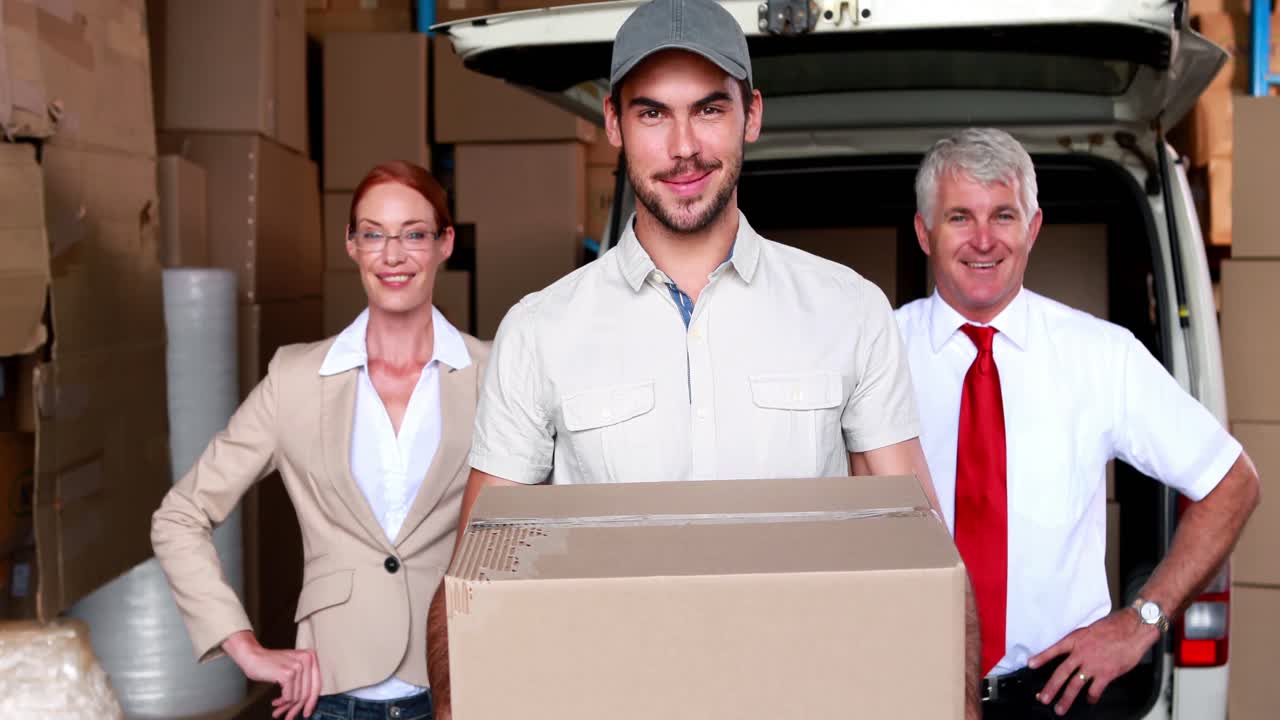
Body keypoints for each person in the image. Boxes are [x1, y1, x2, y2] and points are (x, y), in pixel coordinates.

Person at [425, 1, 979, 718]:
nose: (683, 147)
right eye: (653, 114)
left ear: (750, 115)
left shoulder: (848, 310)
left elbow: (924, 555)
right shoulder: (540, 330)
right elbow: (475, 577)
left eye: (708, 110)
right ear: (614, 125)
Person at [896, 127, 1261, 719]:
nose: (984, 240)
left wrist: (1143, 621)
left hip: (1057, 698)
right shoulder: (877, 355)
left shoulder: (1102, 355)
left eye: (1005, 216)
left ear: (1033, 228)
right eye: (960, 217)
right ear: (924, 232)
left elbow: (1233, 482)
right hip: (906, 690)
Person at [152, 161, 488, 720]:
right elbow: (179, 516)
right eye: (374, 234)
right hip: (332, 692)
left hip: (465, 683)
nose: (394, 254)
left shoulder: (494, 372)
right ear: (351, 245)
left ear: (444, 243)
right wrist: (242, 645)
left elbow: (544, 521)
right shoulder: (296, 379)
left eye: (414, 234)